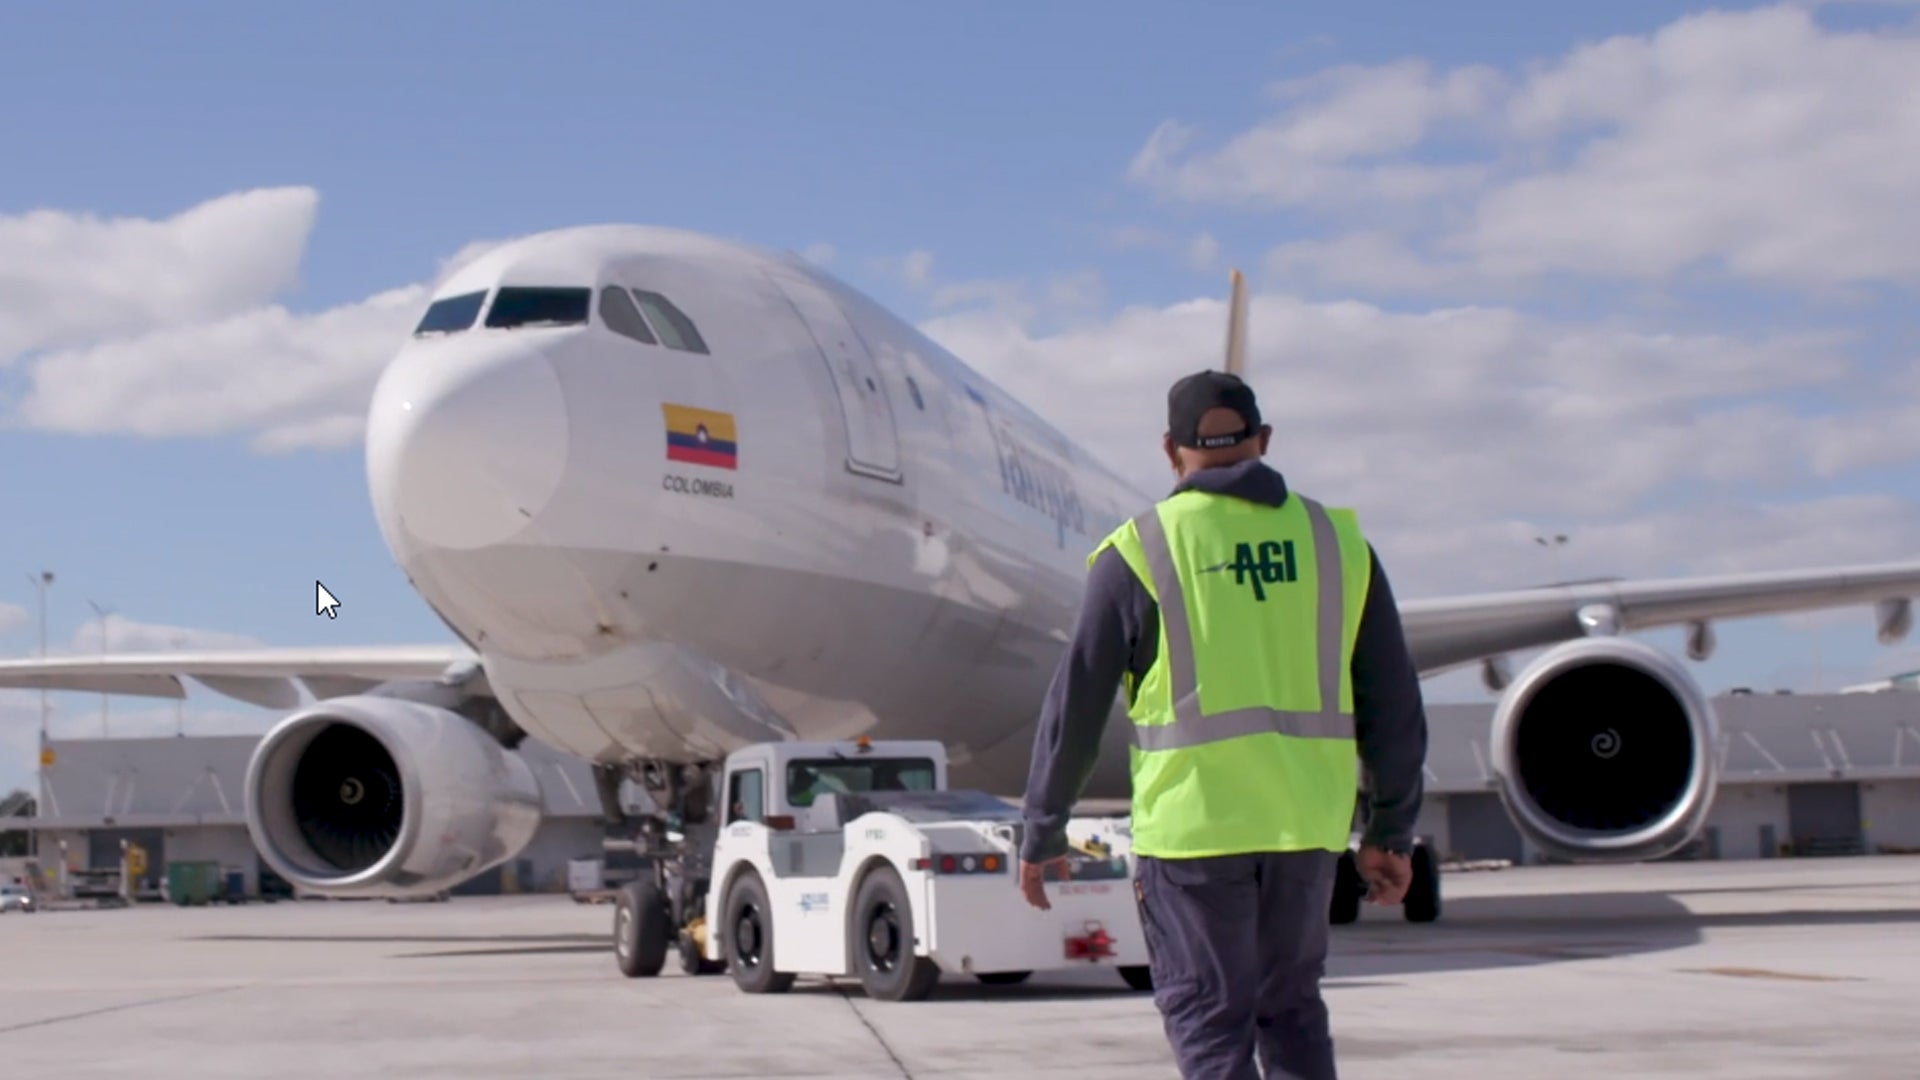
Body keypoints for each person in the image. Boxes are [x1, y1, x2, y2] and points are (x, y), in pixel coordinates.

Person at [1017, 370, 1429, 1080]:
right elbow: (1393, 703)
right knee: (1293, 1011)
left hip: (1194, 834)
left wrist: (1044, 827)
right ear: (1263, 441)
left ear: (1170, 450)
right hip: (1304, 832)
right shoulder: (1339, 544)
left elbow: (1076, 705)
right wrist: (1390, 831)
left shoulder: (1137, 552)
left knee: (1210, 1020)